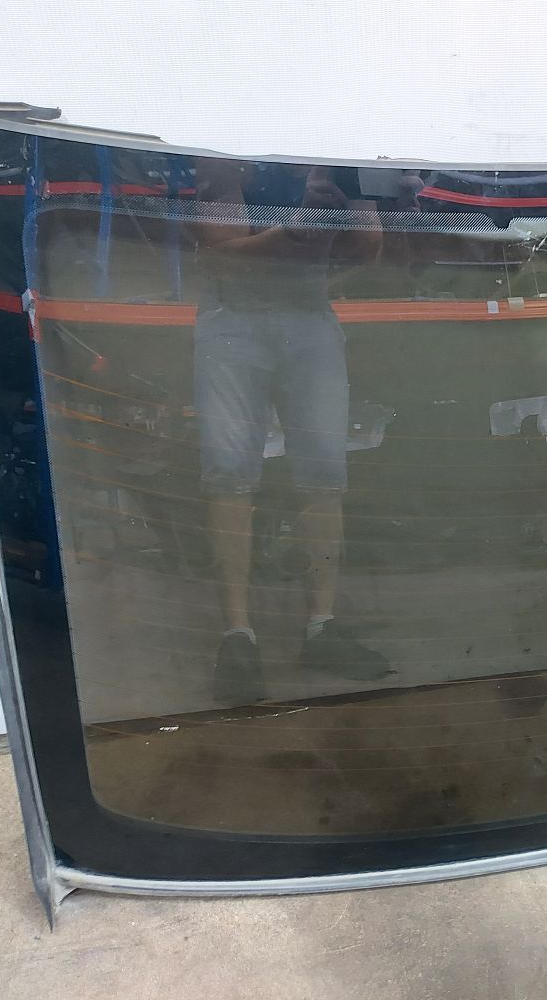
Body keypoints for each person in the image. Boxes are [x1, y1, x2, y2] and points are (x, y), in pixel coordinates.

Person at [191, 159, 390, 701]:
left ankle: (316, 627)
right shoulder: (230, 150)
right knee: (230, 473)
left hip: (298, 315)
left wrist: (339, 212)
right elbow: (221, 253)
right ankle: (239, 634)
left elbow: (367, 247)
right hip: (239, 319)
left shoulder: (332, 157)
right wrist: (303, 228)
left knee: (323, 474)